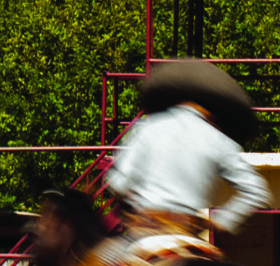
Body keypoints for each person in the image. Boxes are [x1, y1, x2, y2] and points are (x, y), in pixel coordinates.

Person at [103, 59, 270, 244]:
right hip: (188, 237)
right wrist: (221, 221)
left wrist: (131, 202)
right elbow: (256, 191)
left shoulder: (148, 127)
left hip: (146, 232)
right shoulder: (220, 141)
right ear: (213, 111)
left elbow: (117, 183)